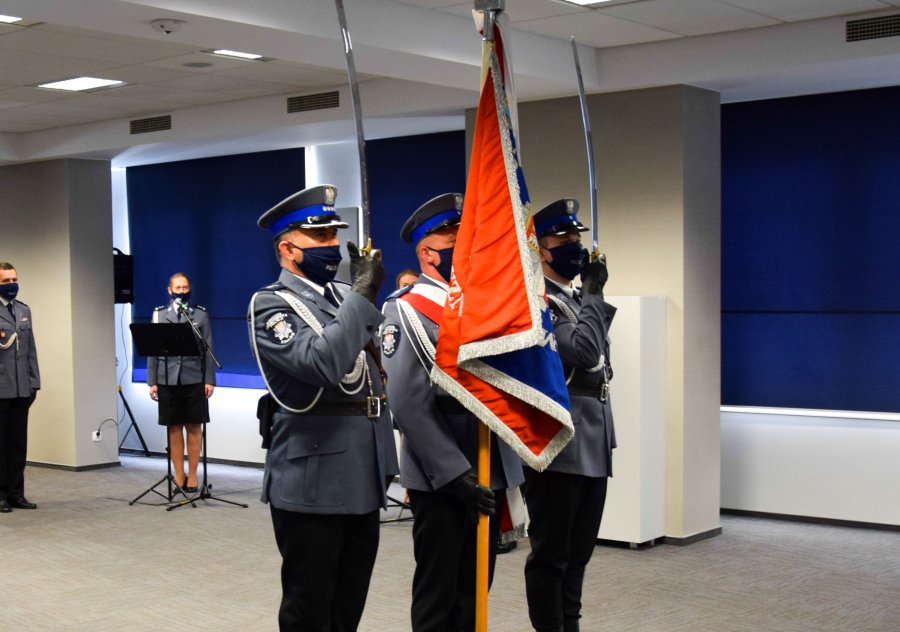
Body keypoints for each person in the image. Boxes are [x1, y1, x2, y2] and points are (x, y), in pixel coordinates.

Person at [248, 184, 398, 632]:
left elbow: (373, 376)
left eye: (334, 235)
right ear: (287, 249)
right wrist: (362, 294)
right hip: (313, 478)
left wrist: (356, 296)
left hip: (361, 470)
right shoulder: (271, 304)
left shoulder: (341, 296)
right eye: (320, 236)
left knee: (348, 605)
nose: (332, 244)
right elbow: (323, 364)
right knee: (310, 608)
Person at [381, 193, 524, 632]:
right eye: (453, 240)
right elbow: (407, 402)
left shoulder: (484, 304)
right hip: (442, 473)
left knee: (476, 589)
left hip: (488, 463)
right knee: (438, 594)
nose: (465, 248)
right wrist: (456, 473)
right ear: (428, 253)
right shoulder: (405, 308)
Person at [523, 198, 617, 632]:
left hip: (591, 438)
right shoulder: (537, 301)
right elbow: (583, 352)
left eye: (577, 238)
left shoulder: (575, 300)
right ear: (541, 249)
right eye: (563, 240)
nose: (575, 247)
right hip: (559, 440)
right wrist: (595, 295)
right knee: (552, 555)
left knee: (579, 553)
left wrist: (590, 298)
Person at [147, 273, 215, 493]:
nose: (182, 291)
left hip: (194, 377)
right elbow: (152, 350)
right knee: (174, 427)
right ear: (169, 290)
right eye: (178, 287)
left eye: (185, 287)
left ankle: (193, 475)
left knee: (194, 426)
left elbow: (209, 349)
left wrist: (209, 380)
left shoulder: (200, 314)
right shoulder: (159, 314)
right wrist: (152, 381)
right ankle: (179, 474)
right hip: (167, 378)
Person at [0, 262, 40, 514]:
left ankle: (16, 493)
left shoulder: (23, 310)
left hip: (21, 388)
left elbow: (30, 350)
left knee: (17, 444)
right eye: (6, 281)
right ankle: (0, 495)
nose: (12, 284)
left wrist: (34, 382)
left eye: (14, 279)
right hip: (1, 388)